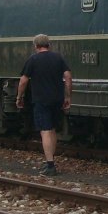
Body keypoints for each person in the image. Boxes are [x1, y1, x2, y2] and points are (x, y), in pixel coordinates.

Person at [16, 34, 72, 176]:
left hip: (41, 100)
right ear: (49, 45)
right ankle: (50, 160)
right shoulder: (58, 58)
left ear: (35, 46)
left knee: (45, 131)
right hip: (57, 99)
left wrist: (19, 97)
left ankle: (50, 165)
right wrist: (67, 96)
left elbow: (23, 81)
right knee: (52, 130)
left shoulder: (33, 60)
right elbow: (68, 76)